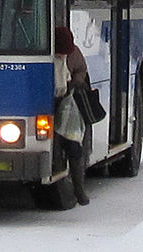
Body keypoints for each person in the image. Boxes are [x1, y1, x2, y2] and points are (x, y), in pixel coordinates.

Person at [54, 25, 91, 206]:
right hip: (49, 104)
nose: (63, 56)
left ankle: (79, 189)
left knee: (74, 146)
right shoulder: (44, 55)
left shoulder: (74, 54)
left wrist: (74, 84)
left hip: (68, 104)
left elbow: (81, 69)